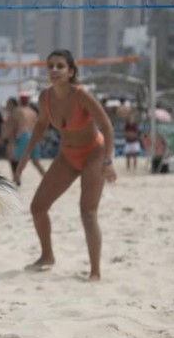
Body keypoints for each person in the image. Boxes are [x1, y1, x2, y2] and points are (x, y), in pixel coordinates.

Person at [16, 49, 116, 282]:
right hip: (68, 155)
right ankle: (47, 256)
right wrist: (25, 157)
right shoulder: (45, 98)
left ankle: (94, 272)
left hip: (94, 153)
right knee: (38, 207)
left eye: (60, 66)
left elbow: (107, 127)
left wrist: (108, 161)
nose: (54, 70)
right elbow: (41, 126)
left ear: (71, 72)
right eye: (50, 66)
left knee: (88, 213)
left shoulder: (81, 95)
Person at [12, 96, 46, 182]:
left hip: (23, 135)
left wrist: (13, 136)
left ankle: (17, 179)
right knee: (35, 161)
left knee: (17, 159)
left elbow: (15, 124)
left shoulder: (18, 110)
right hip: (33, 136)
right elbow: (37, 126)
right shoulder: (33, 112)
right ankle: (46, 177)